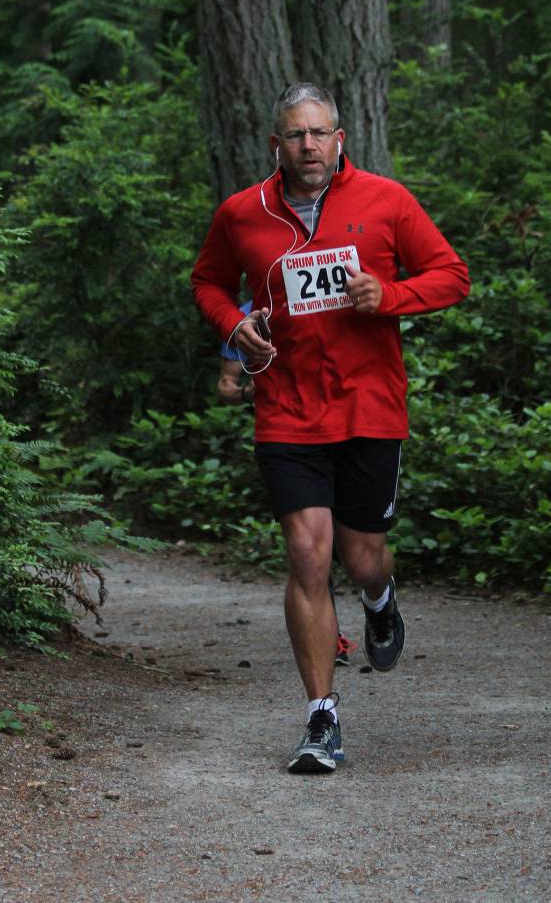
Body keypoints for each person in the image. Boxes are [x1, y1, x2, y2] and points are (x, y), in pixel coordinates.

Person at [192, 82, 469, 774]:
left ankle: (378, 599)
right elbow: (207, 282)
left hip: (369, 405)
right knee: (307, 554)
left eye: (319, 133)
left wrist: (392, 296)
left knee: (360, 552)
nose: (308, 145)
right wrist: (236, 326)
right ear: (276, 145)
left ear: (338, 139)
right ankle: (322, 717)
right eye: (295, 134)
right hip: (286, 407)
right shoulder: (242, 213)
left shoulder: (385, 200)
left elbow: (452, 275)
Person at [217, 301, 358, 667]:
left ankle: (374, 595)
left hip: (348, 429)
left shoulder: (327, 290)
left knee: (351, 541)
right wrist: (251, 393)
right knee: (309, 547)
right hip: (288, 439)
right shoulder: (243, 317)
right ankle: (331, 637)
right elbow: (226, 387)